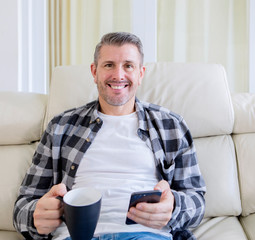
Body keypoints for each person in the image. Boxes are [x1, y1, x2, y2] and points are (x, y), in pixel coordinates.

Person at [13, 32, 206, 240]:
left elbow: (197, 202)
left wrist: (173, 207)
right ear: (94, 71)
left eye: (128, 66)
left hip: (145, 235)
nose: (119, 75)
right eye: (109, 65)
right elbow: (22, 207)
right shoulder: (61, 127)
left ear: (141, 74)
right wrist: (36, 216)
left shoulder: (171, 125)